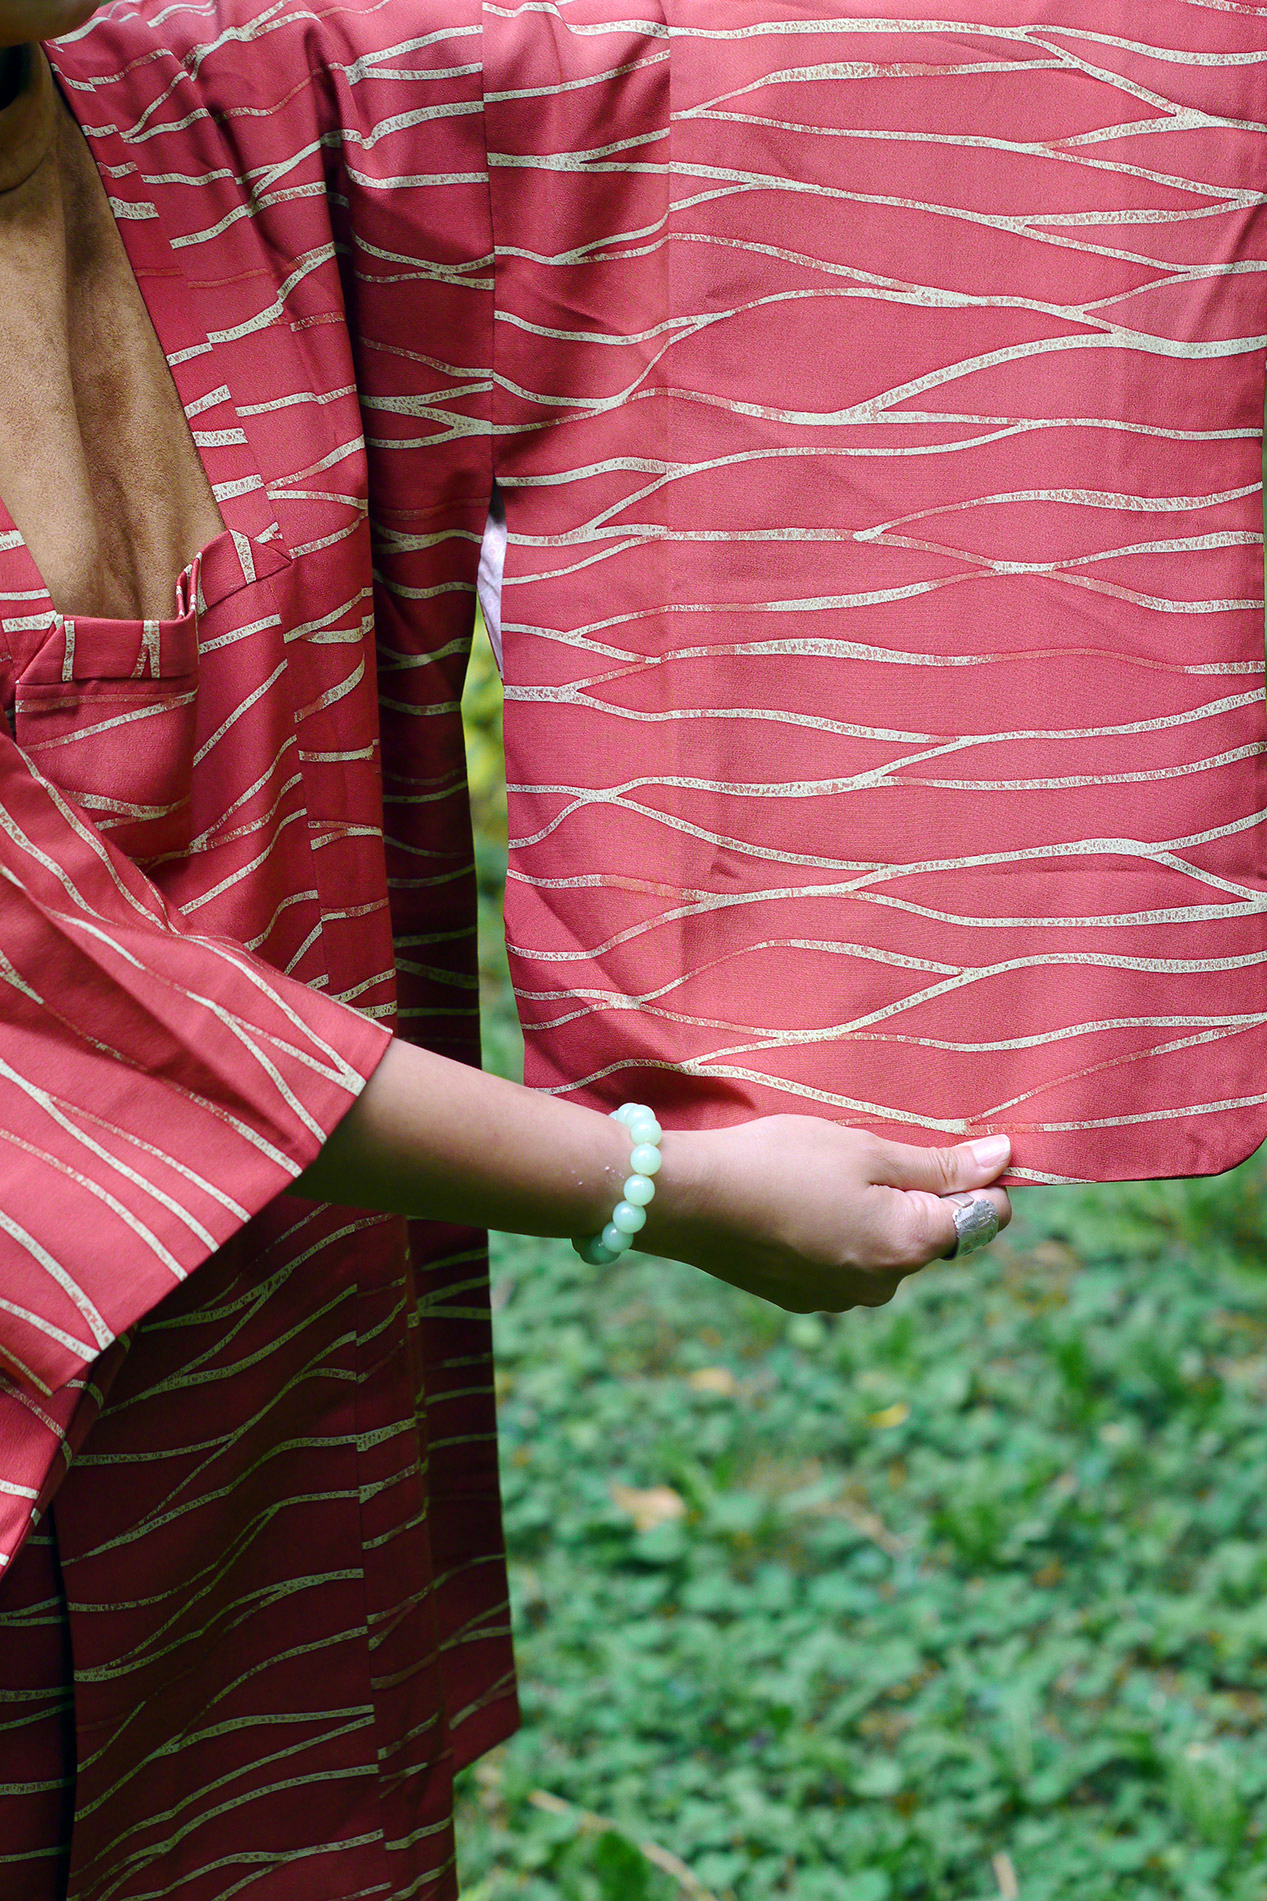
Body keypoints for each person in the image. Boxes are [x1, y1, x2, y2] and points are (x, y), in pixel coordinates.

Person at [0, 3, 1012, 1895]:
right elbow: (46, 987)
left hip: (272, 1381)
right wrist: (650, 1185)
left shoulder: (190, 99)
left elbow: (654, 103)